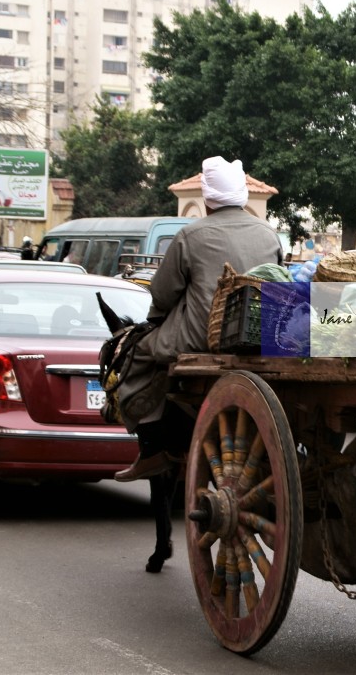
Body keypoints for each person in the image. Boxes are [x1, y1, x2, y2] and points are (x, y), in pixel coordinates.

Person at [114, 156, 284, 481]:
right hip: (262, 333)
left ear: (206, 199)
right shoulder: (269, 234)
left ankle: (151, 450)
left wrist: (156, 320)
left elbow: (162, 294)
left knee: (136, 350)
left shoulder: (190, 236)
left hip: (203, 336)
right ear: (243, 197)